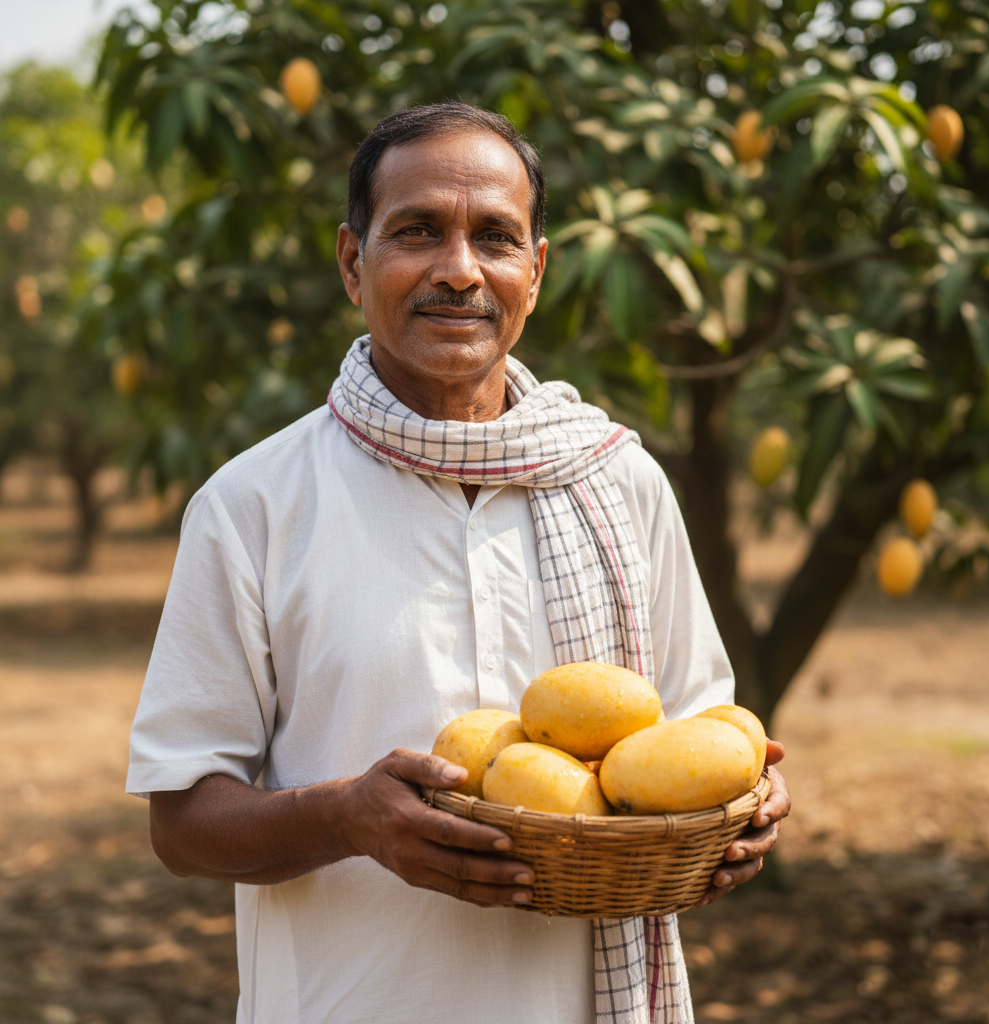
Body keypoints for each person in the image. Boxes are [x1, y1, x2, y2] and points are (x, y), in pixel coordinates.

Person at [127, 102, 790, 1024]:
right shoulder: (254, 505)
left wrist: (747, 807)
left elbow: (701, 735)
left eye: (495, 237)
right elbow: (183, 825)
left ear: (537, 271)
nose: (460, 271)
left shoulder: (618, 479)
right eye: (417, 232)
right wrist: (344, 819)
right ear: (354, 263)